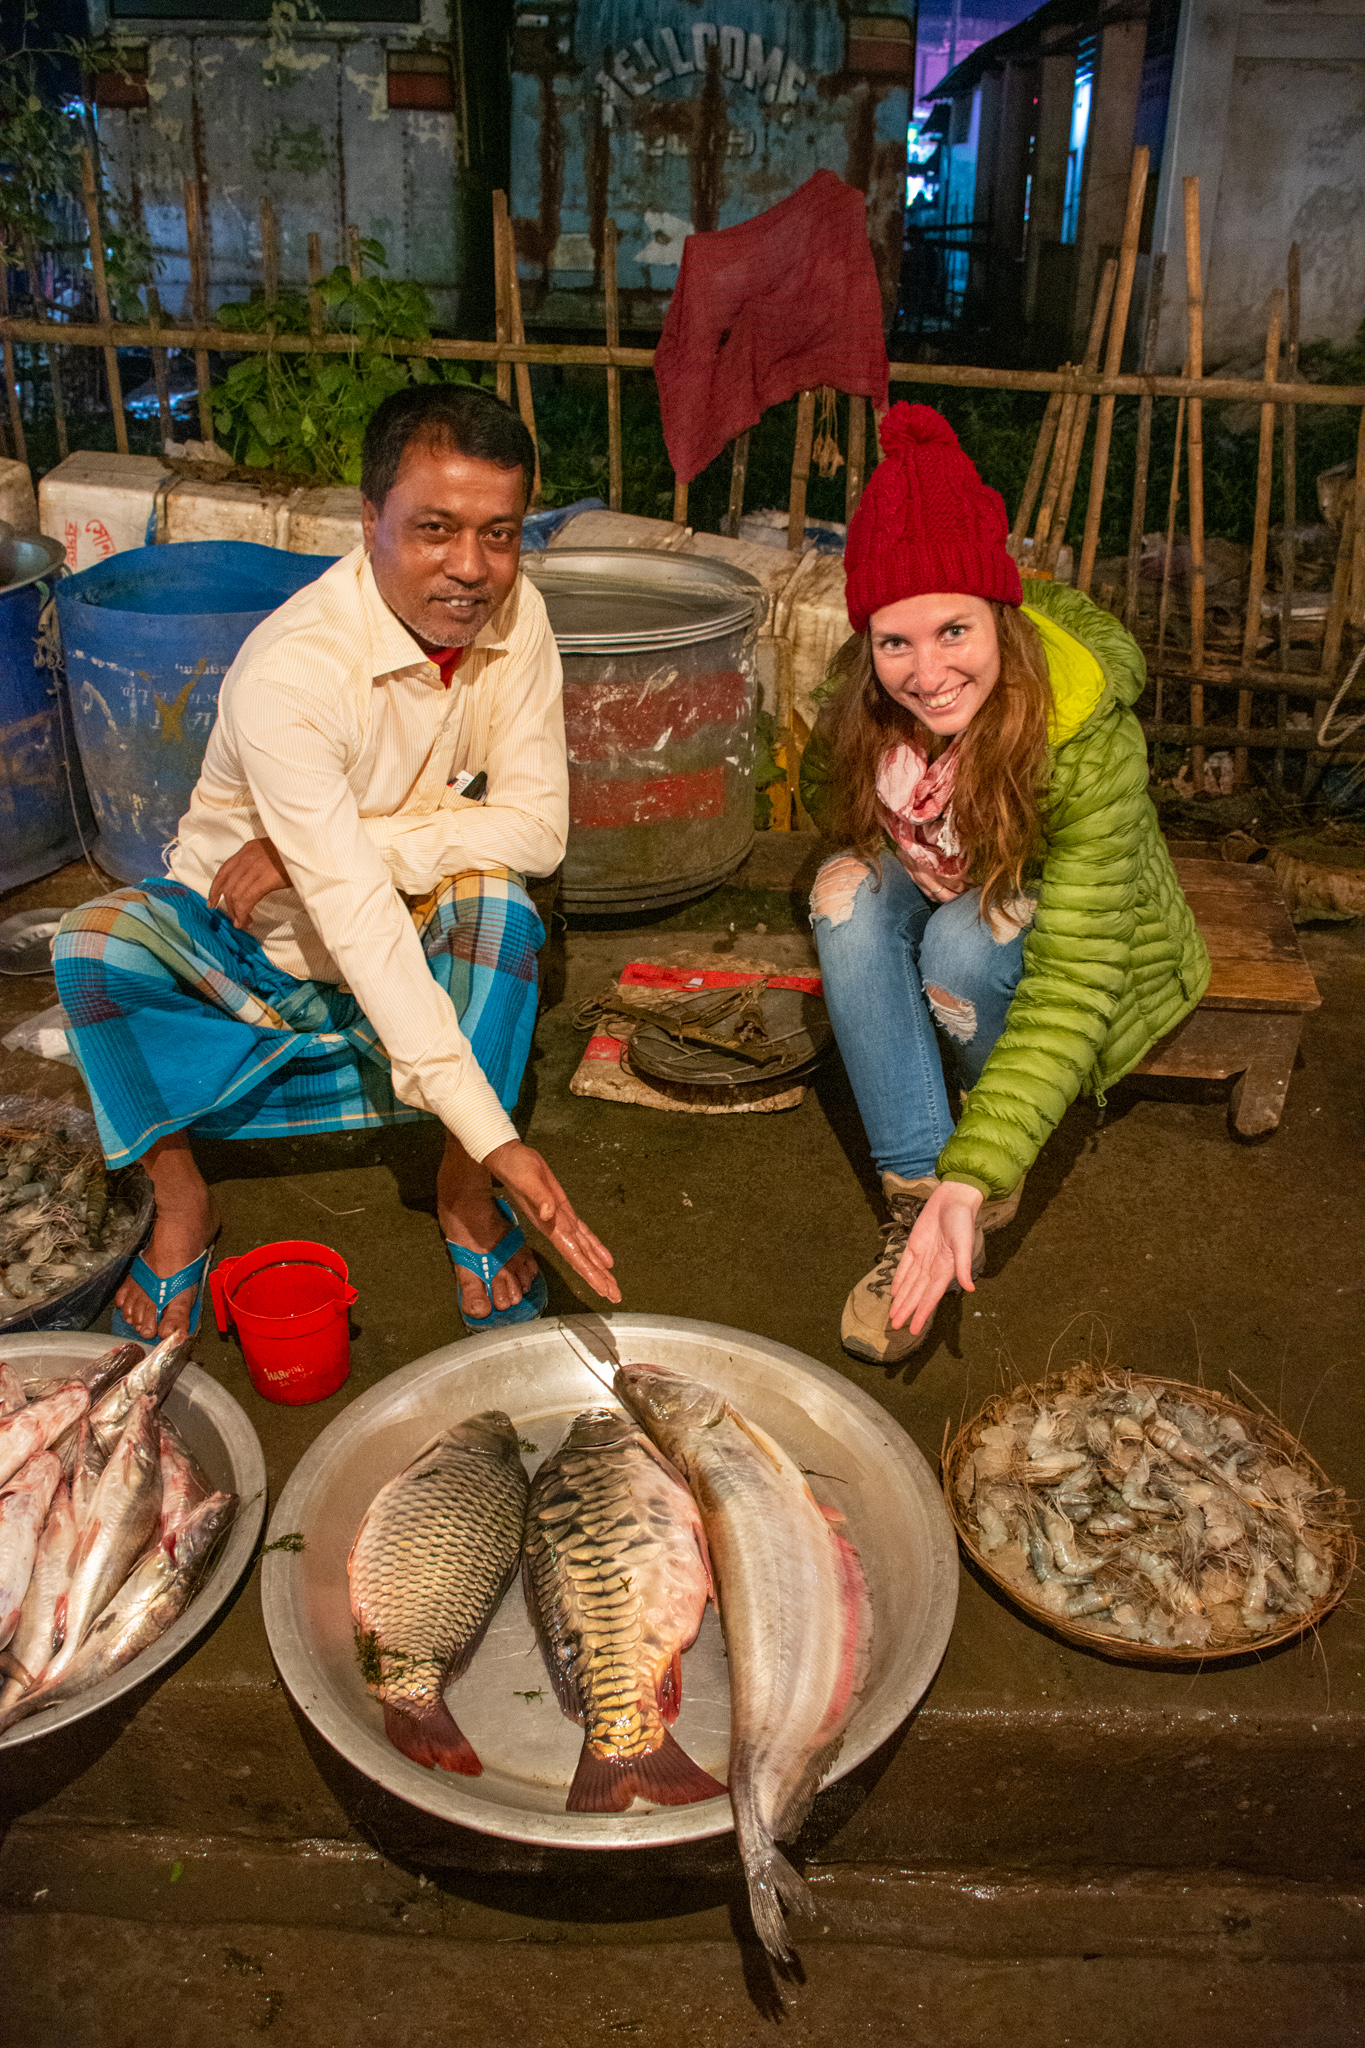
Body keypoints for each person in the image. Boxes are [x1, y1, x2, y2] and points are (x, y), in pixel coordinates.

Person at [53, 383, 619, 1341]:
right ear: (369, 520)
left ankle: (460, 1189)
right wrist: (502, 1129)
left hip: (397, 936)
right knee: (93, 946)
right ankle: (185, 1202)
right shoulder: (294, 672)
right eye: (433, 528)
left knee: (501, 908)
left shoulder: (519, 621)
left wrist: (355, 846)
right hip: (246, 957)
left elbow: (536, 833)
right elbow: (349, 909)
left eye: (499, 534)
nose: (470, 569)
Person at [800, 403, 1209, 1364]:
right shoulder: (867, 703)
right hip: (954, 863)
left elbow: (1075, 977)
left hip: (1070, 920)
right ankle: (916, 1191)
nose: (927, 673)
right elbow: (834, 807)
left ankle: (981, 1171)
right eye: (893, 643)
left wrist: (975, 1172)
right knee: (842, 895)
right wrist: (899, 807)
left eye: (952, 630)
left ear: (1000, 617)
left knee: (958, 948)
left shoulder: (1080, 737)